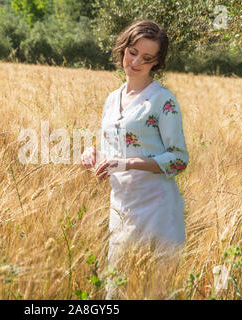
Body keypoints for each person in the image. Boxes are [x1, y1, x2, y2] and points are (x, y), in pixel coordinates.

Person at [81, 20, 190, 299]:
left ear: (157, 63)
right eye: (132, 52)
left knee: (154, 291)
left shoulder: (163, 101)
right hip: (121, 208)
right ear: (122, 50)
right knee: (117, 290)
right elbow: (114, 152)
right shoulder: (111, 98)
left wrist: (128, 163)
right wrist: (93, 155)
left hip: (157, 210)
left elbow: (178, 159)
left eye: (147, 58)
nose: (136, 61)